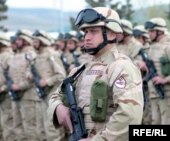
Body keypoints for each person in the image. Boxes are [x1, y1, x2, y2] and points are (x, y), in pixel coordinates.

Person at [47, 7, 144, 141]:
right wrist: (57, 107)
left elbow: (130, 115)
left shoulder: (121, 66)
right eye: (85, 32)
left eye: (93, 31)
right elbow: (56, 95)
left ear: (111, 34)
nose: (87, 37)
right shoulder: (79, 71)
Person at [31, 30, 66, 141]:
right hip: (41, 96)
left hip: (52, 95)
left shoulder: (52, 55)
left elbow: (61, 75)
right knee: (40, 128)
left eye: (36, 41)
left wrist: (48, 81)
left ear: (42, 41)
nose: (33, 43)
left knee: (52, 129)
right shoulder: (36, 57)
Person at [145, 17, 170, 124]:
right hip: (153, 93)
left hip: (167, 94)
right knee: (155, 122)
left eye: (151, 31)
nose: (149, 34)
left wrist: (164, 80)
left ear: (160, 32)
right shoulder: (152, 47)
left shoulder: (168, 47)